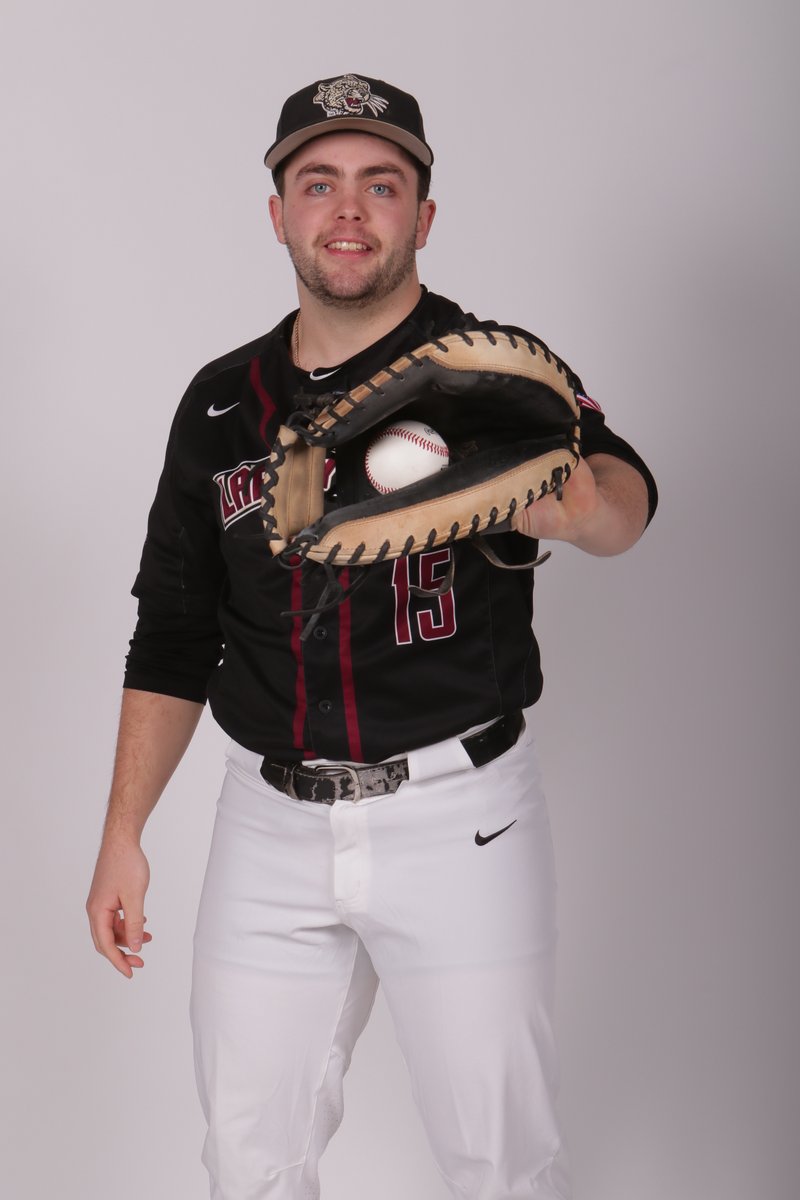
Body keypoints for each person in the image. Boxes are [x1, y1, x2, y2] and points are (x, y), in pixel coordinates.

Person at [86, 73, 657, 1200]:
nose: (348, 211)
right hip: (267, 825)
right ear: (279, 211)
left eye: (380, 184)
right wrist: (123, 832)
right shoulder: (219, 406)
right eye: (319, 182)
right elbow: (172, 630)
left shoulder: (488, 370)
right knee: (249, 1159)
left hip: (463, 816)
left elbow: (624, 499)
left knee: (501, 1164)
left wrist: (574, 506)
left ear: (423, 216)